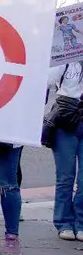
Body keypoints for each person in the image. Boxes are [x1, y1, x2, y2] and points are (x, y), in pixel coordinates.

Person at [49, 62, 83, 240]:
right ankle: (64, 223)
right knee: (66, 177)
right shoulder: (68, 57)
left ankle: (80, 222)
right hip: (66, 118)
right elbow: (47, 79)